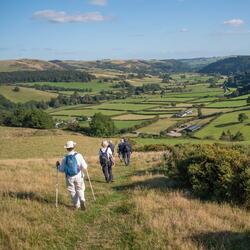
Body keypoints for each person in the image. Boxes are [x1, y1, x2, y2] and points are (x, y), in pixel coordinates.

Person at [56, 140, 88, 210]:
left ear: (67, 148)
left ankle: (77, 205)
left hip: (69, 177)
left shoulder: (65, 158)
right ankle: (82, 199)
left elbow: (61, 169)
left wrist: (58, 166)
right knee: (80, 188)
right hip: (79, 175)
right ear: (74, 147)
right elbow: (85, 166)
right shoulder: (79, 155)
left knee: (72, 190)